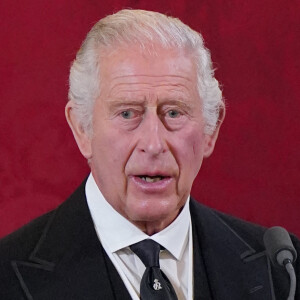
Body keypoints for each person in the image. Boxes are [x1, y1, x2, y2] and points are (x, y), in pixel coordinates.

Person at [0, 9, 299, 300]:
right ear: (82, 128)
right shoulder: (6, 277)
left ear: (210, 129)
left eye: (173, 112)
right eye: (128, 113)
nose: (154, 143)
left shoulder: (284, 272)